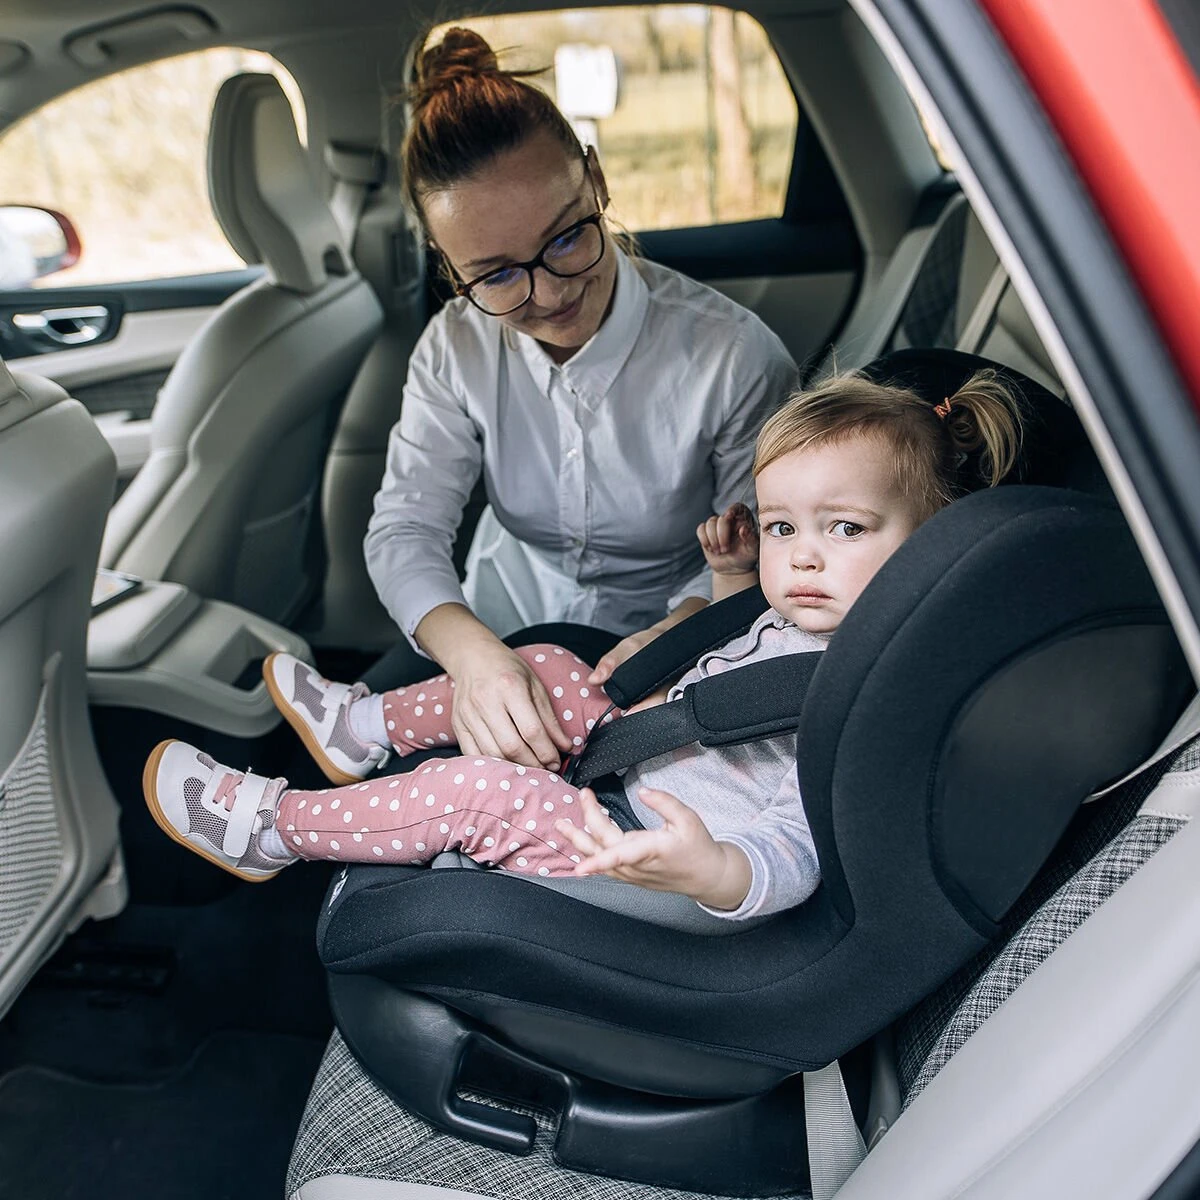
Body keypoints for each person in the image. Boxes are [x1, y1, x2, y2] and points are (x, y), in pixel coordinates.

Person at [143, 369, 1023, 920]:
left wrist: (712, 869)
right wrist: (729, 582)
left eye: (845, 527)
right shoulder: (809, 611)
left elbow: (797, 849)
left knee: (481, 793)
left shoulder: (868, 692)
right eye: (784, 526)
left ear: (935, 539)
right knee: (545, 669)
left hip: (638, 855)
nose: (801, 557)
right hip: (640, 759)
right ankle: (361, 728)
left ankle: (273, 828)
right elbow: (736, 659)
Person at [361, 26, 798, 772]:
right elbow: (404, 528)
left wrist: (687, 626)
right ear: (449, 265)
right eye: (497, 275)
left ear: (595, 179)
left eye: (566, 238)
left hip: (671, 640)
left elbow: (766, 550)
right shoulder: (454, 346)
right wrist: (472, 655)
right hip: (497, 621)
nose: (550, 292)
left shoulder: (733, 357)